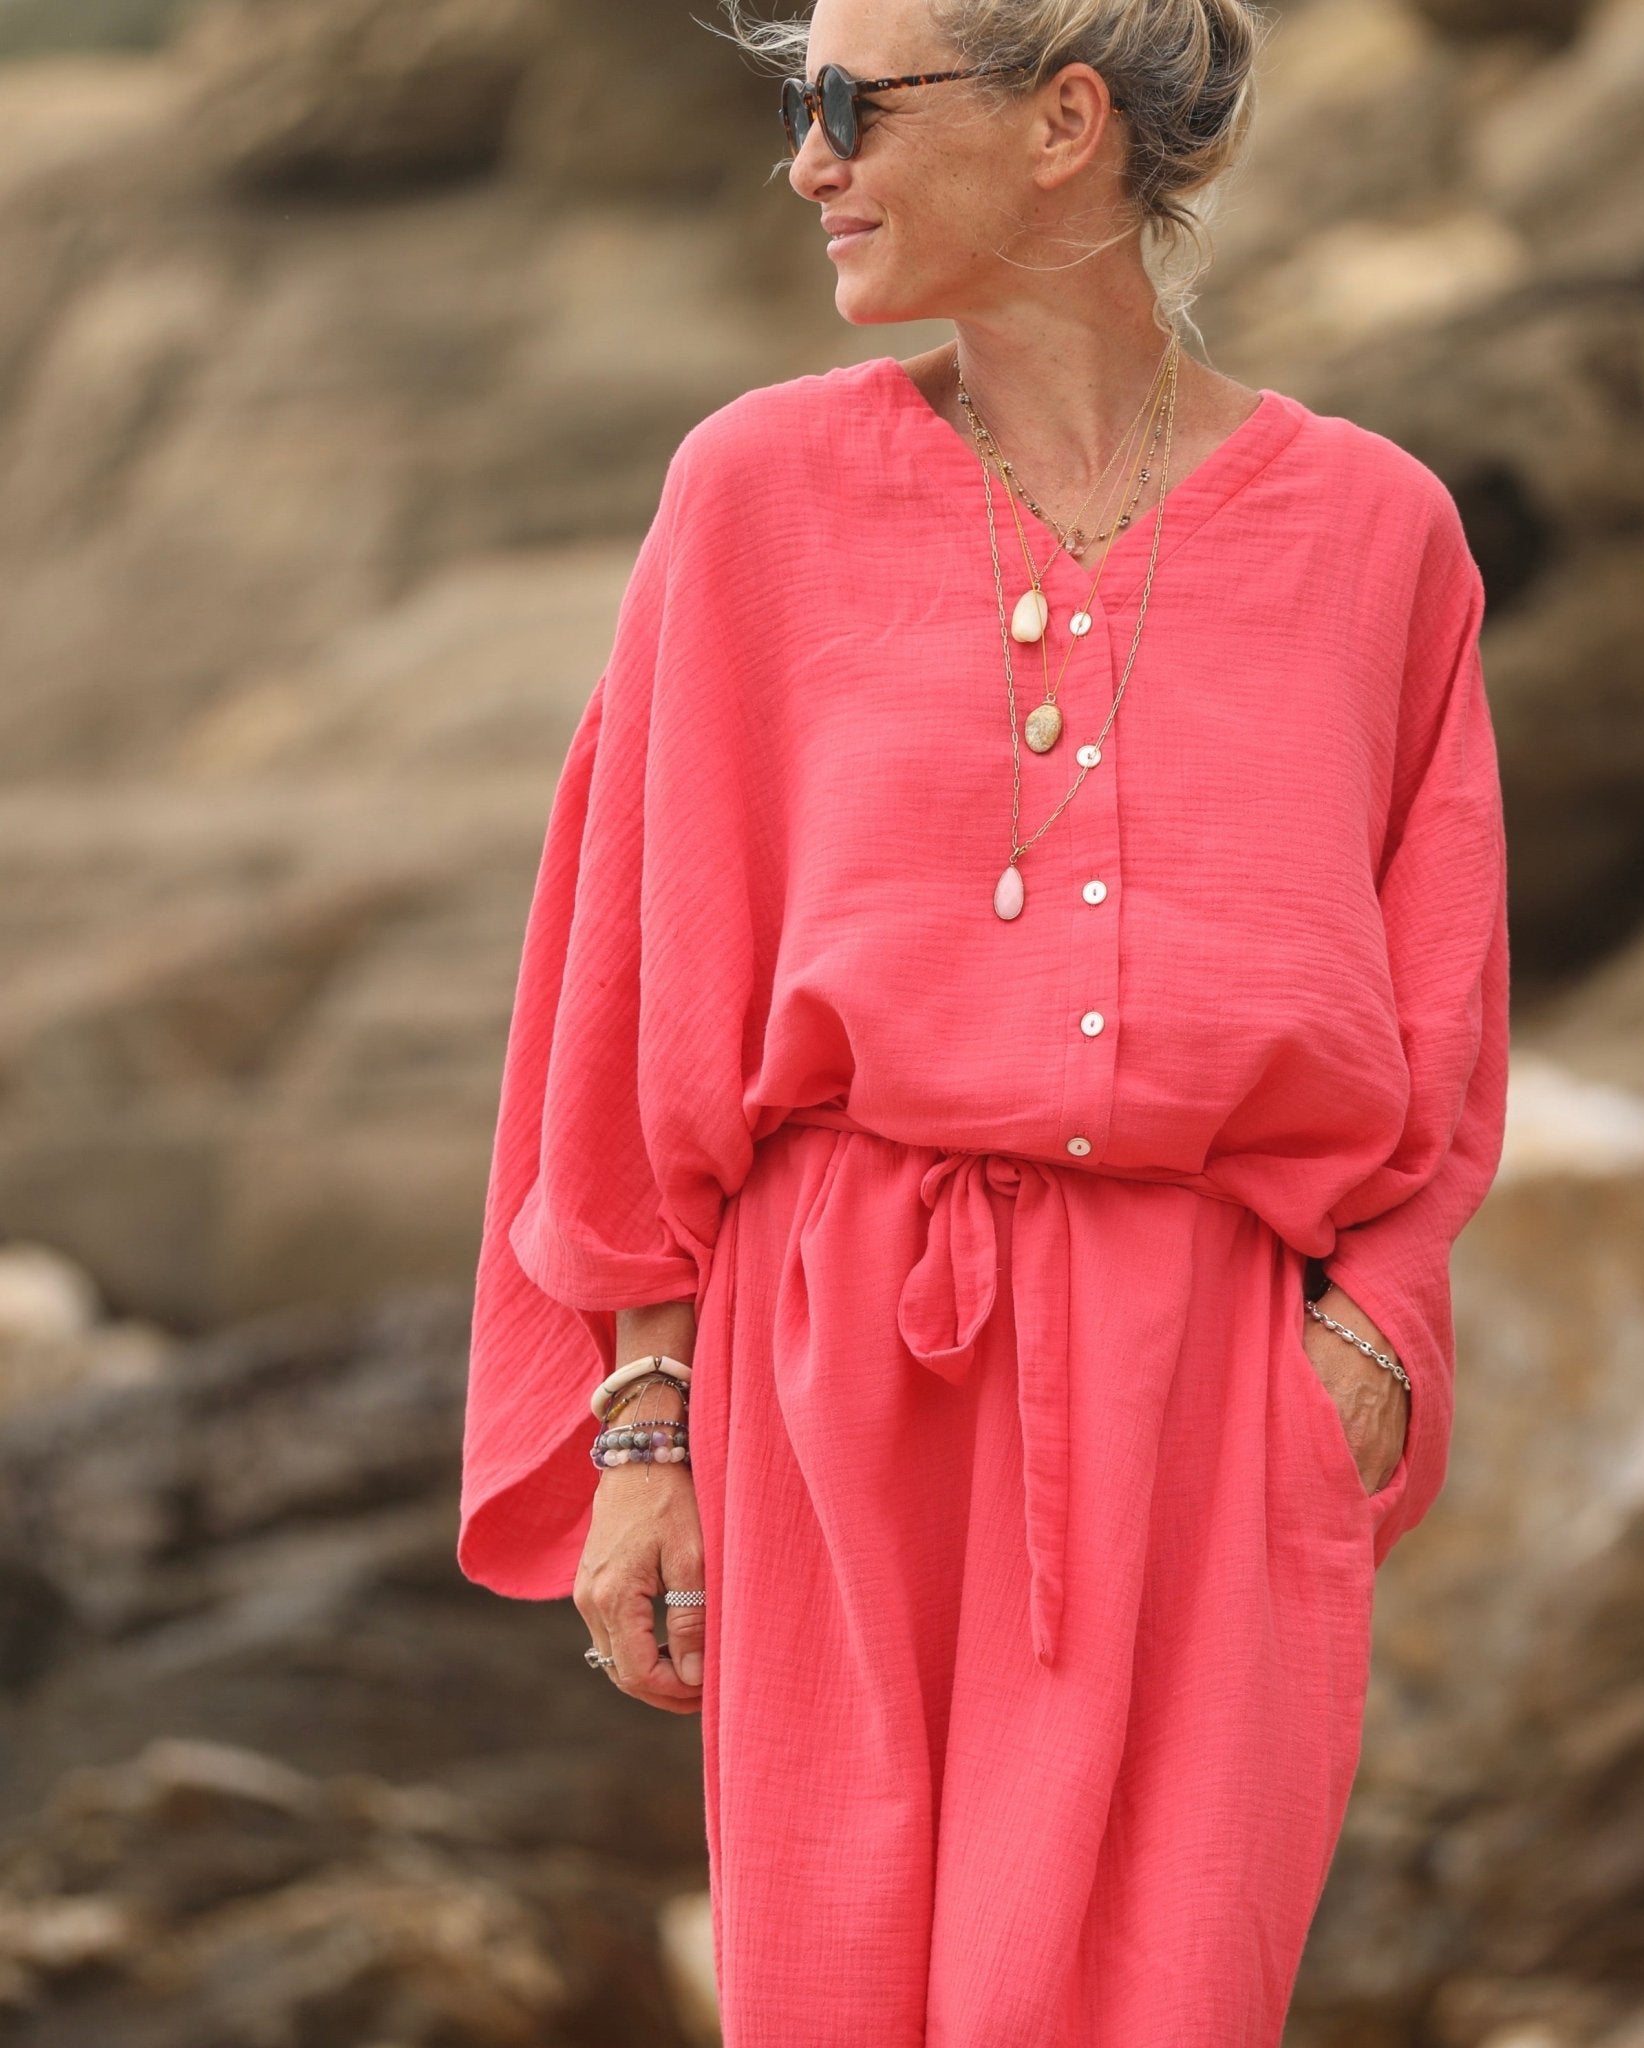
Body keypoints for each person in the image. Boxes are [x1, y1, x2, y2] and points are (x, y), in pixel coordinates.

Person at [458, 0, 1510, 2037]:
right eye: (802, 108)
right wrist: (645, 1426)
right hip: (830, 1362)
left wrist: (1368, 1342)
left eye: (850, 104)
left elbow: (1446, 996)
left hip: (1208, 1388)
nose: (808, 160)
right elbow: (629, 986)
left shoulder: (1380, 535)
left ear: (1063, 124)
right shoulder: (752, 494)